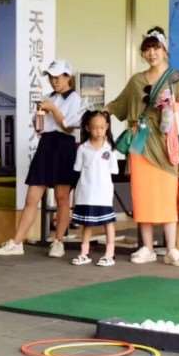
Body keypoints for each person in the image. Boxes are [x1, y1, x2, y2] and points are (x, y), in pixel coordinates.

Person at [106, 26, 179, 267]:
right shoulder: (136, 81)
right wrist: (102, 111)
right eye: (147, 49)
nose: (151, 53)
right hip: (140, 142)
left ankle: (171, 248)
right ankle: (147, 247)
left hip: (165, 143)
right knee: (142, 196)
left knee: (166, 196)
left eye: (156, 48)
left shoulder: (177, 78)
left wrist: (170, 111)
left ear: (164, 50)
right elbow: (120, 105)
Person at [0, 59, 83, 258]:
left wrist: (52, 109)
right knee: (32, 196)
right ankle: (17, 242)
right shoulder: (48, 97)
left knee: (62, 198)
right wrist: (39, 117)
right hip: (46, 145)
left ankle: (58, 241)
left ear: (68, 77)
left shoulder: (75, 98)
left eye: (58, 77)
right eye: (51, 78)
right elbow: (40, 128)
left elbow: (68, 126)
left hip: (65, 146)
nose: (54, 81)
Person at [70, 110, 119, 267]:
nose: (98, 131)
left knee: (108, 222)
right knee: (87, 223)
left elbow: (114, 171)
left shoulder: (110, 149)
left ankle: (109, 254)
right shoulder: (83, 149)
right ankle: (84, 253)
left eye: (102, 127)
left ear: (107, 127)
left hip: (103, 193)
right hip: (86, 193)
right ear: (87, 128)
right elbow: (77, 169)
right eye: (95, 127)